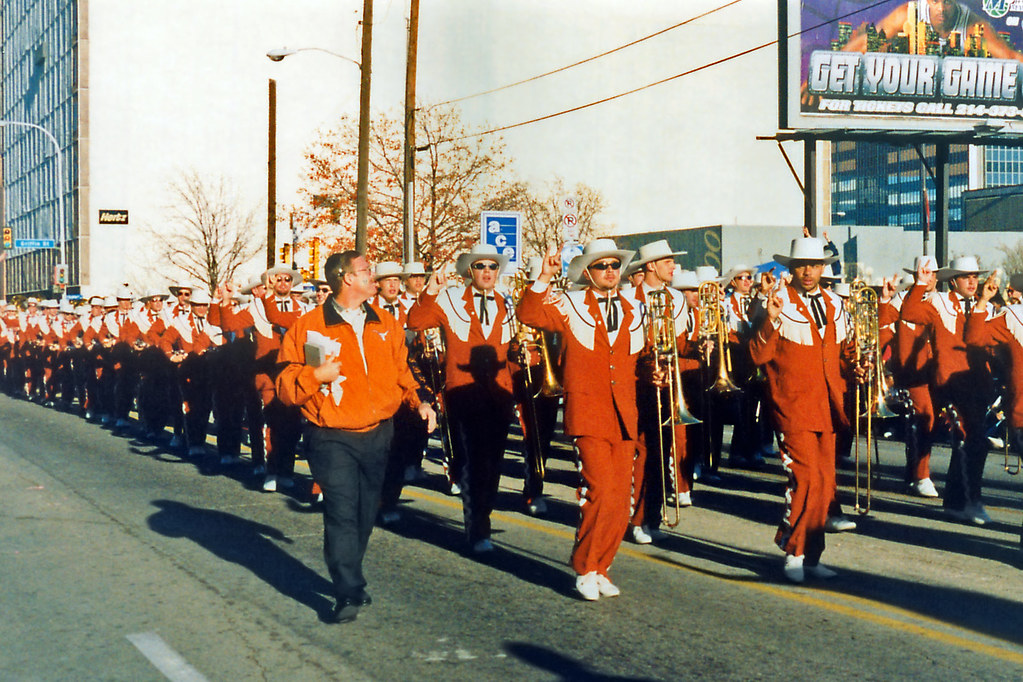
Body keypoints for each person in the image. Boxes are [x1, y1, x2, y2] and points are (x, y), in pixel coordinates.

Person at [276, 250, 436, 624]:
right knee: (343, 511)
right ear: (345, 278)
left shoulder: (386, 322)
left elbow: (402, 372)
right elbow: (285, 386)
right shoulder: (309, 325)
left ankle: (351, 574)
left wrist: (420, 403)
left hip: (379, 432)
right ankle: (347, 590)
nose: (374, 276)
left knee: (366, 512)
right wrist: (316, 377)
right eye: (366, 271)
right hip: (330, 435)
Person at [517, 239, 644, 600]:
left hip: (625, 416)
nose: (609, 271)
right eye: (602, 265)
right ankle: (585, 567)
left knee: (621, 500)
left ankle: (603, 566)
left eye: (614, 265)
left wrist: (657, 374)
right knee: (599, 490)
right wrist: (543, 277)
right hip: (588, 413)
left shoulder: (635, 307)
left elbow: (642, 358)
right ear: (588, 271)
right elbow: (530, 314)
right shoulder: (571, 304)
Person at [750, 237, 863, 583]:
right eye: (802, 265)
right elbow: (757, 355)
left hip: (829, 407)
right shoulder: (777, 301)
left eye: (815, 265)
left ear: (823, 268)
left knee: (824, 483)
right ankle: (793, 551)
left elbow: (844, 353)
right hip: (792, 406)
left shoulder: (834, 302)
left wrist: (856, 367)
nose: (809, 271)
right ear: (792, 268)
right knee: (805, 478)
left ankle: (812, 556)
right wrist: (767, 319)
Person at [407, 244, 517, 553]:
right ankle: (478, 528)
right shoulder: (451, 299)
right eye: (480, 266)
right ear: (470, 270)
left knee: (493, 465)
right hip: (464, 395)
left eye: (492, 267)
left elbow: (512, 351)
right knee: (474, 462)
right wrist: (430, 291)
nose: (486, 272)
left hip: (498, 395)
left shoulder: (506, 302)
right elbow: (416, 322)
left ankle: (482, 517)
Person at [901, 255, 995, 524]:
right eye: (966, 277)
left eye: (975, 276)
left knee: (974, 443)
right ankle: (970, 501)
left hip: (977, 385)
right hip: (950, 386)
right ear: (953, 280)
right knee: (969, 439)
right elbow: (909, 313)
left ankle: (956, 502)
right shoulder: (939, 302)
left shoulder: (985, 307)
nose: (973, 282)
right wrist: (920, 283)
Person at [622, 239, 687, 545]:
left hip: (667, 385)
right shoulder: (627, 298)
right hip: (636, 384)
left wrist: (701, 347)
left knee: (662, 452)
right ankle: (635, 518)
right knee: (640, 452)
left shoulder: (677, 298)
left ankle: (653, 516)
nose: (674, 267)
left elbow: (681, 343)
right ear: (650, 266)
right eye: (667, 262)